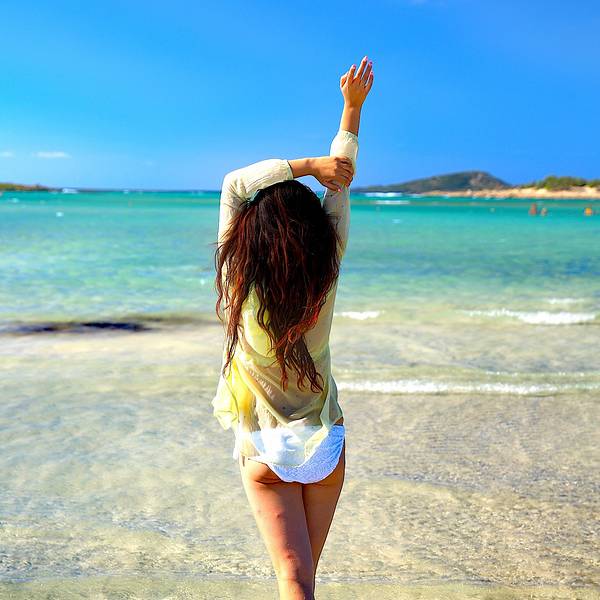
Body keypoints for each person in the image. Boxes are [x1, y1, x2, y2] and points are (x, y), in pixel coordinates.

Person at [211, 56, 374, 599]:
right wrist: (351, 111)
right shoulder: (326, 270)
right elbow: (341, 185)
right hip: (325, 445)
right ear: (315, 235)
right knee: (303, 581)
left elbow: (235, 183)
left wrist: (306, 165)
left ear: (251, 234)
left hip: (264, 447)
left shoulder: (239, 280)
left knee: (292, 580)